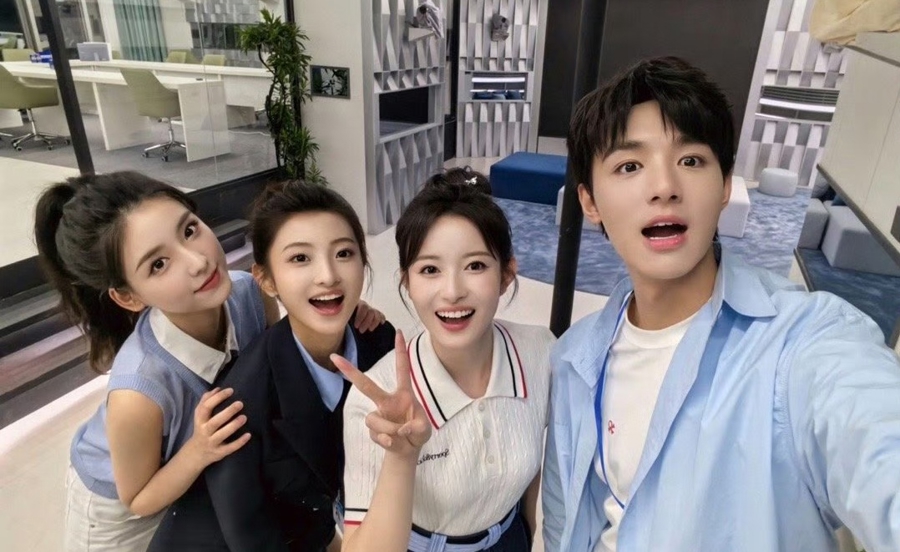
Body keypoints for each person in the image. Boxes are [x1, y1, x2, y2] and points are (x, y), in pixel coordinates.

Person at [541, 56, 900, 552]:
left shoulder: (805, 343)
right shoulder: (574, 360)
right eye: (630, 166)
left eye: (691, 160)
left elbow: (875, 437)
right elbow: (564, 519)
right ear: (589, 202)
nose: (664, 187)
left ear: (726, 184)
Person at [36, 172, 383, 552]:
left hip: (204, 473)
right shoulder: (138, 391)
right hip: (120, 511)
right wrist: (197, 451)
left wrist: (343, 310)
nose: (198, 261)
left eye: (189, 230)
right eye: (158, 264)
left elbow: (283, 361)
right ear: (129, 297)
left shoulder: (247, 292)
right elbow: (138, 499)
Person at [148, 179, 395, 552]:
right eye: (300, 258)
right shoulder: (239, 402)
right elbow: (250, 538)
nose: (328, 276)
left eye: (344, 253)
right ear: (265, 279)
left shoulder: (378, 341)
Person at [333, 168, 556, 552]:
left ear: (507, 274)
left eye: (475, 265)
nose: (452, 292)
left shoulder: (541, 352)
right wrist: (402, 458)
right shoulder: (376, 401)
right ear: (407, 281)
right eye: (430, 269)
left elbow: (533, 475)